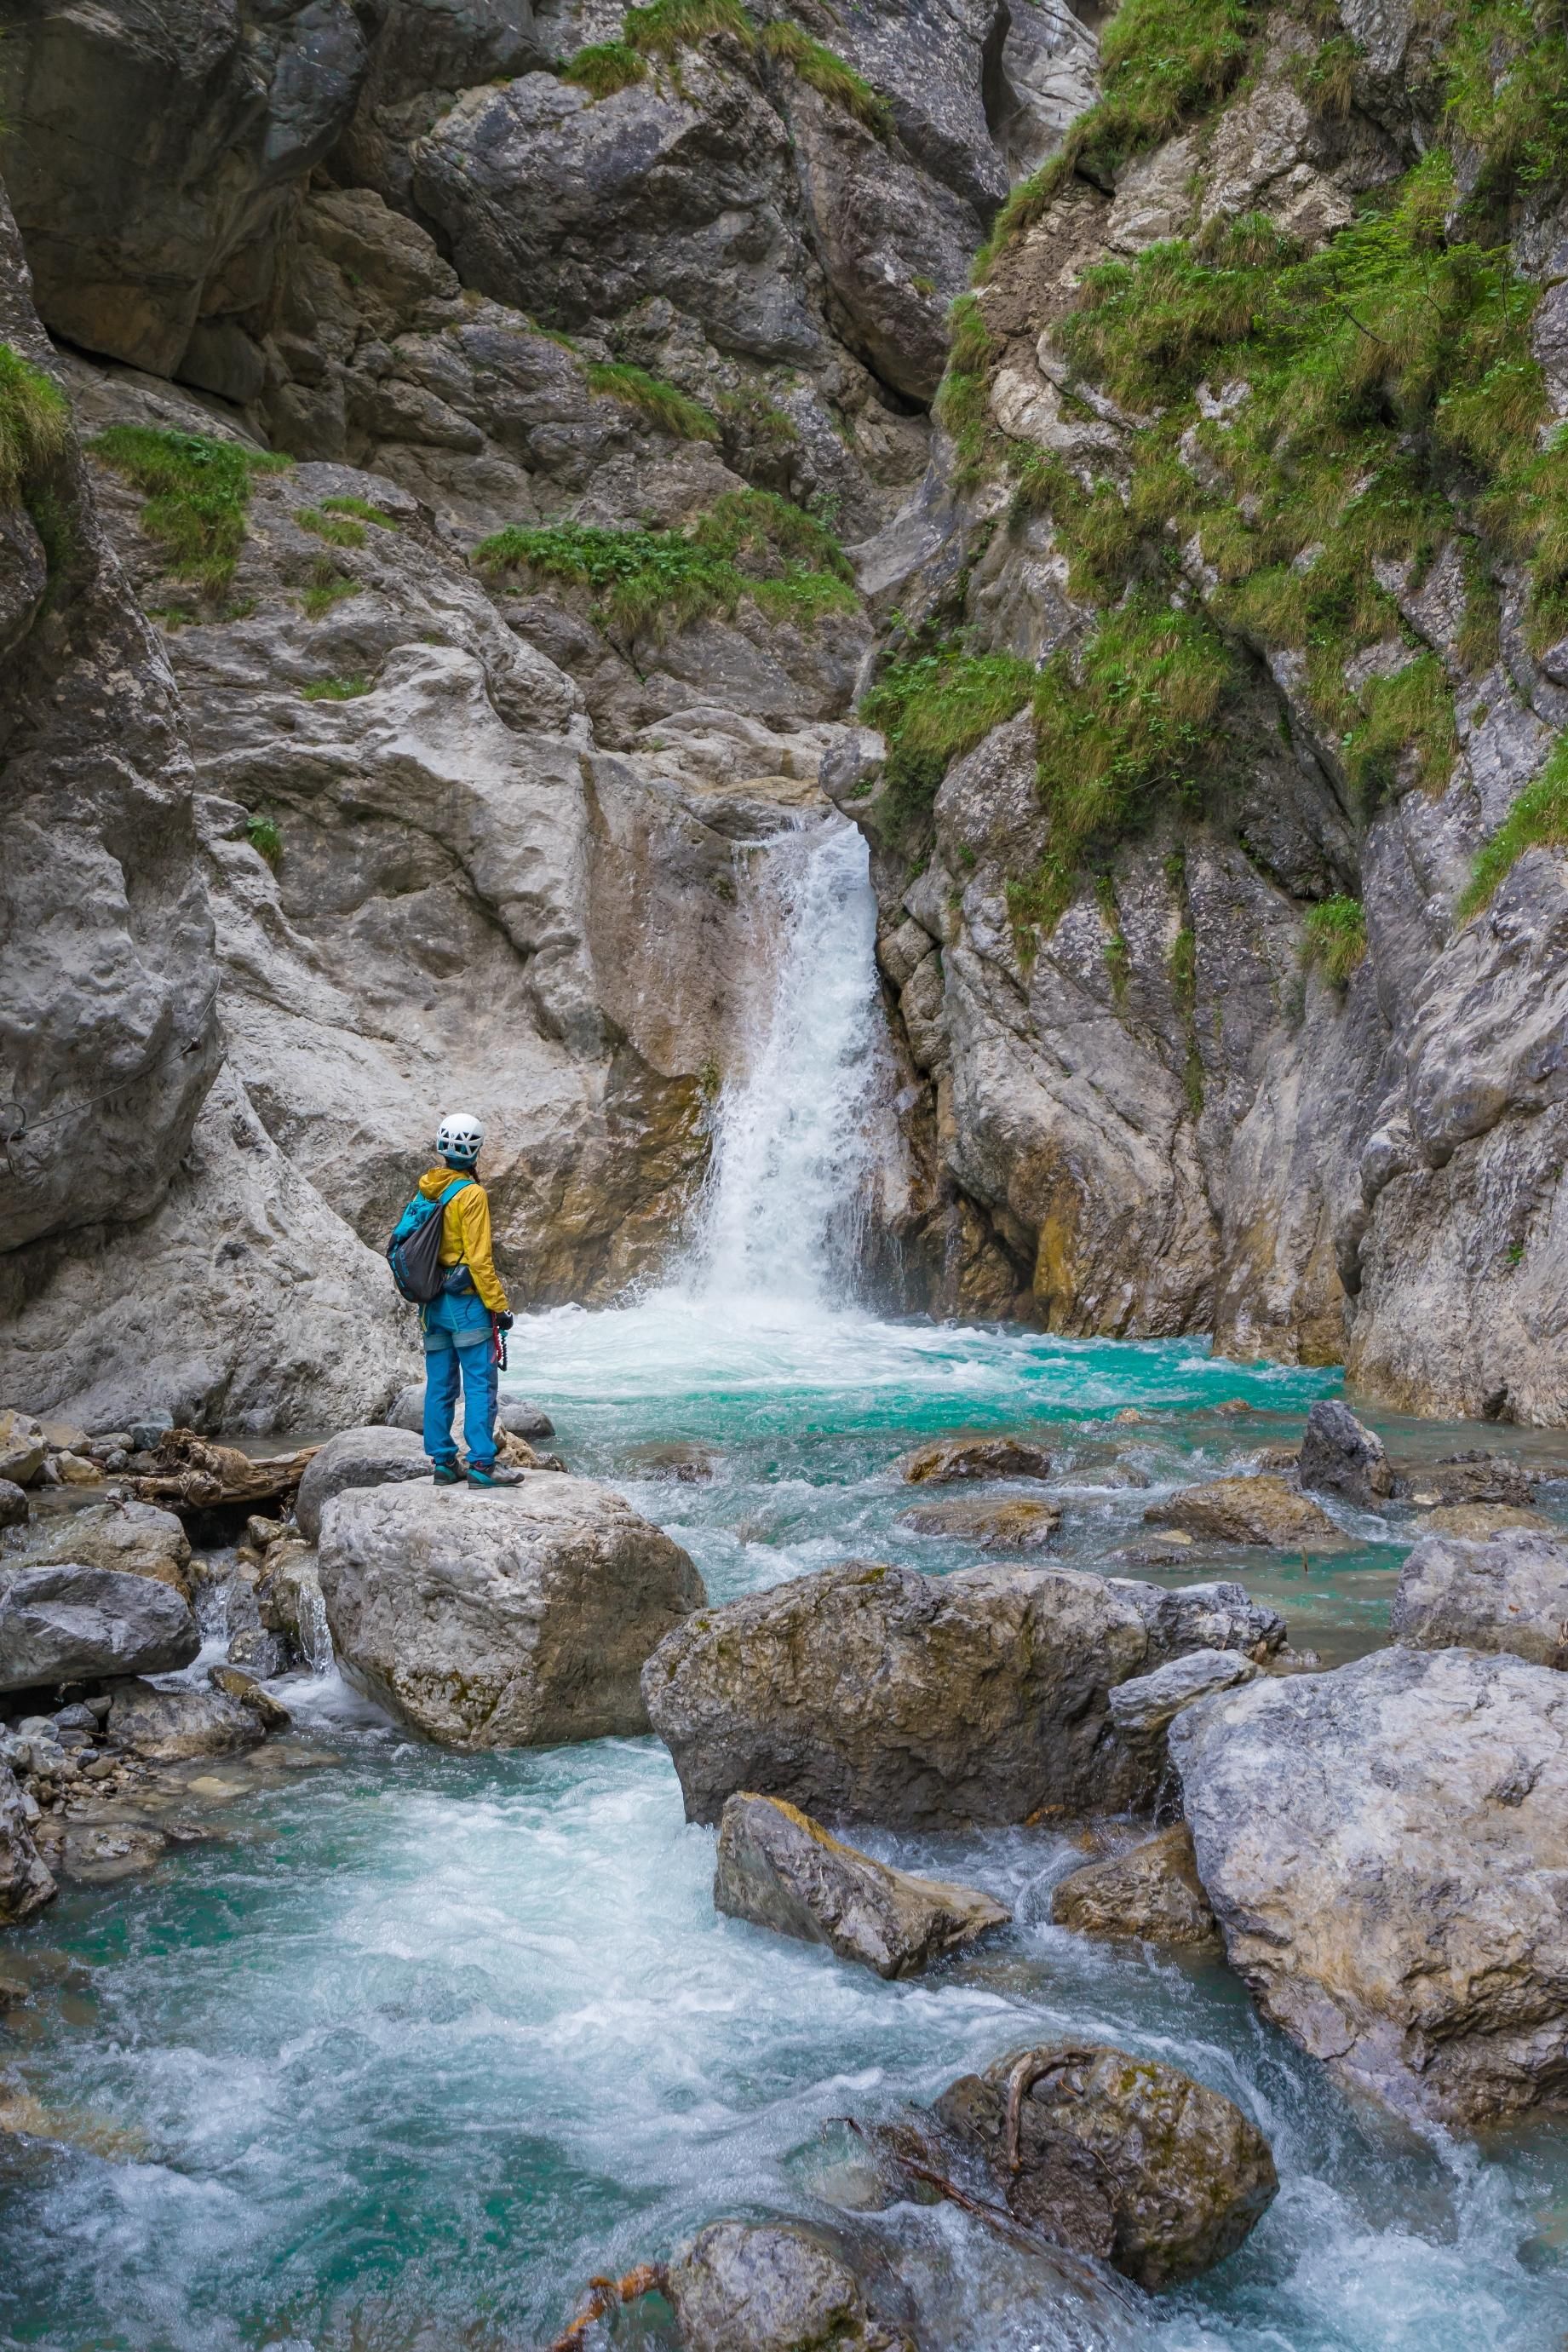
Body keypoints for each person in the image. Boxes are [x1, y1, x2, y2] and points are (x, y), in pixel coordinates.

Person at [417, 1111, 520, 1487]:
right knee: (479, 1384)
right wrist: (499, 1306)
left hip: (432, 1303)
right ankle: (482, 1464)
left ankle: (444, 1463)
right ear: (476, 1150)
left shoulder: (428, 1187)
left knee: (439, 1385)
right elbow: (479, 1260)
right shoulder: (471, 1194)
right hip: (464, 1303)